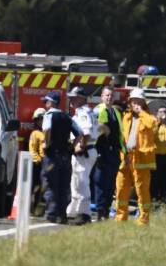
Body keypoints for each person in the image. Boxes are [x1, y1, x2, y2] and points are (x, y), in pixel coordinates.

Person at [113, 88, 159, 226]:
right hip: (125, 157)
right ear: (130, 102)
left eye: (139, 101)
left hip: (141, 159)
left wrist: (141, 112)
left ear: (144, 103)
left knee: (142, 190)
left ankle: (143, 220)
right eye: (133, 101)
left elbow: (152, 124)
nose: (136, 104)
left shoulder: (149, 117)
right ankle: (121, 217)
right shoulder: (126, 116)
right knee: (121, 188)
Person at [40, 91, 81, 224]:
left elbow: (47, 129)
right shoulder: (67, 117)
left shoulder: (49, 115)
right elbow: (80, 133)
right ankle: (62, 215)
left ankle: (51, 213)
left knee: (50, 183)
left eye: (46, 101)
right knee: (63, 185)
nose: (45, 104)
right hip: (65, 155)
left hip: (52, 155)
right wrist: (71, 146)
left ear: (52, 102)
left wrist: (46, 143)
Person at [66, 87, 99, 224]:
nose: (71, 100)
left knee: (81, 182)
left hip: (84, 152)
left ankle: (84, 214)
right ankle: (73, 211)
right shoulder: (89, 111)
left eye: (74, 97)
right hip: (88, 150)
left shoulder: (82, 112)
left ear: (81, 98)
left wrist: (81, 146)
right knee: (76, 181)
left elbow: (86, 132)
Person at [90, 86, 122, 220]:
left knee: (110, 183)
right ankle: (100, 211)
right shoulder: (98, 110)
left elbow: (121, 134)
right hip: (101, 150)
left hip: (114, 152)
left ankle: (106, 210)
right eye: (106, 95)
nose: (109, 98)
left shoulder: (116, 112)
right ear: (102, 97)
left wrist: (123, 151)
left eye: (111, 95)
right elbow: (94, 130)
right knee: (100, 182)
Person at [28, 107, 47, 216]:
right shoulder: (35, 133)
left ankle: (39, 209)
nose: (40, 121)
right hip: (38, 163)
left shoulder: (48, 131)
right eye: (38, 119)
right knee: (34, 186)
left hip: (47, 162)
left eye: (42, 119)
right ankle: (31, 208)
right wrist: (37, 160)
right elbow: (32, 148)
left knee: (42, 187)